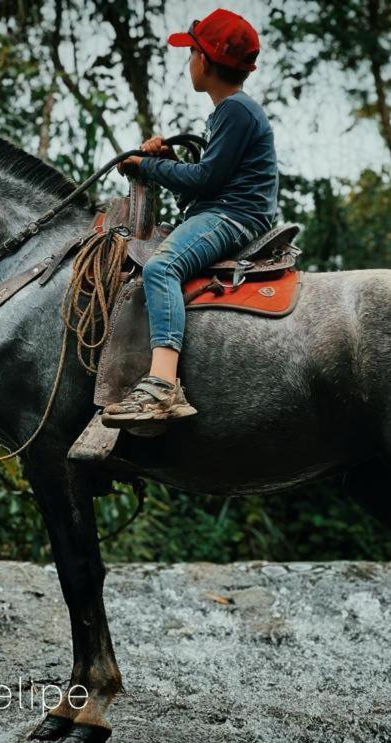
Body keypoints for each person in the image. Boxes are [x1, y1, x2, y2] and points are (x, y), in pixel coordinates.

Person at [101, 7, 279, 428]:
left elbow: (204, 180)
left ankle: (162, 386)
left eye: (191, 53)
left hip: (233, 216)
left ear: (204, 60)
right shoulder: (231, 111)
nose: (188, 63)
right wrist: (166, 160)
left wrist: (143, 165)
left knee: (161, 266)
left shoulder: (235, 110)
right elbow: (210, 176)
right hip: (228, 208)